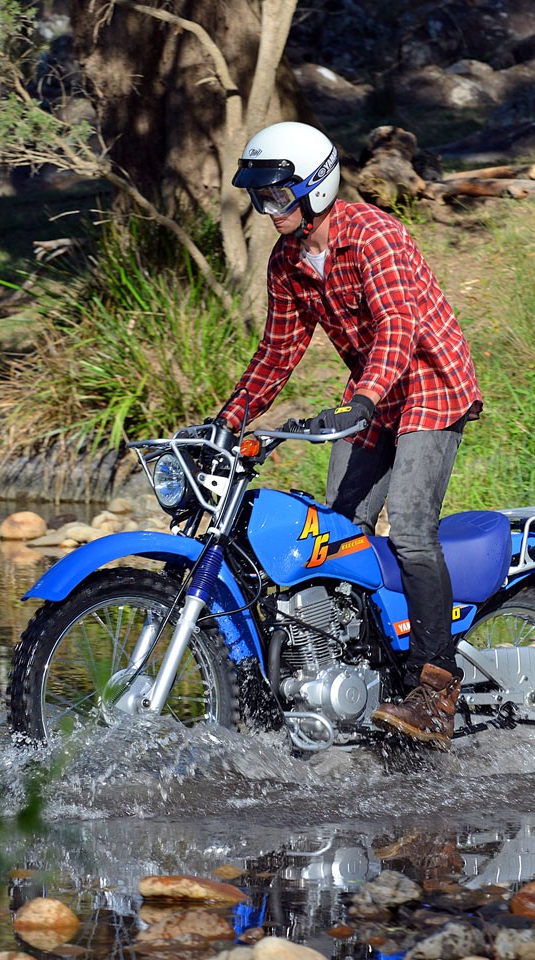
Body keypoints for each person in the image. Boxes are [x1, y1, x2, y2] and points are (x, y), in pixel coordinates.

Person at [217, 120, 483, 749]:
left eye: (277, 196)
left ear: (315, 188)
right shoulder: (287, 262)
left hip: (428, 383)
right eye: (259, 197)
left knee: (412, 528)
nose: (267, 209)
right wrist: (227, 422)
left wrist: (362, 401)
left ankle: (436, 688)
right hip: (373, 395)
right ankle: (355, 674)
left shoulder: (373, 234)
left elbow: (398, 325)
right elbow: (277, 353)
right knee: (337, 531)